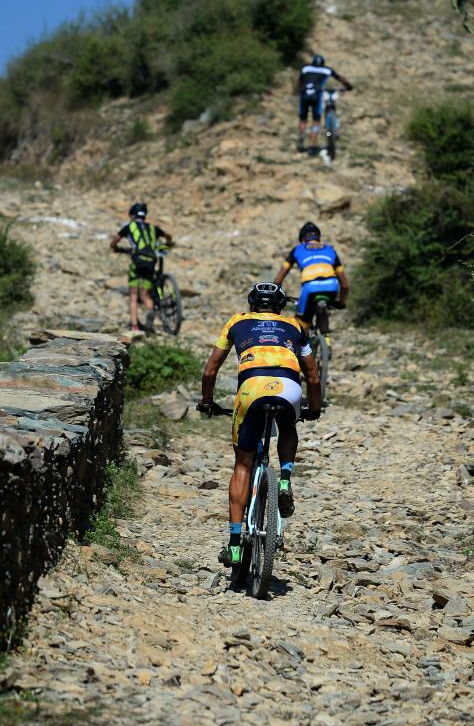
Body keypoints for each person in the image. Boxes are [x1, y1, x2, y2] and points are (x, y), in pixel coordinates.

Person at [198, 282, 322, 567]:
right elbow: (313, 376)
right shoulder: (295, 325)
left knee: (243, 464)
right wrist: (313, 408)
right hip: (289, 388)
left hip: (252, 388)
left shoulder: (237, 321)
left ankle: (235, 546)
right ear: (280, 306)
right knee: (289, 427)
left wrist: (207, 400)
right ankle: (285, 480)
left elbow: (210, 370)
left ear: (252, 303)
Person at [273, 222, 349, 334]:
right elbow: (345, 285)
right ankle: (327, 343)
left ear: (303, 240)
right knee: (324, 313)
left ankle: (303, 348)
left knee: (300, 324)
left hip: (310, 288)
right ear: (318, 238)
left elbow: (279, 279)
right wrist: (341, 303)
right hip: (332, 286)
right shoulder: (330, 250)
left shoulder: (297, 250)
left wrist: (277, 295)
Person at [110, 202, 172, 332]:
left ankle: (134, 326)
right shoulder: (152, 228)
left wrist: (116, 248)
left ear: (132, 215)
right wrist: (168, 243)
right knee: (145, 296)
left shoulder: (129, 226)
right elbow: (168, 236)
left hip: (137, 260)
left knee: (133, 295)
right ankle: (150, 309)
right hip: (151, 261)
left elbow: (115, 241)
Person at [297, 55, 353, 155]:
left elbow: (300, 82)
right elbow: (340, 79)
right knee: (316, 121)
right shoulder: (327, 70)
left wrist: (301, 89)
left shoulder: (305, 67)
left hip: (304, 94)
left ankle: (301, 135)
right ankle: (312, 145)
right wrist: (349, 86)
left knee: (303, 119)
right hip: (317, 95)